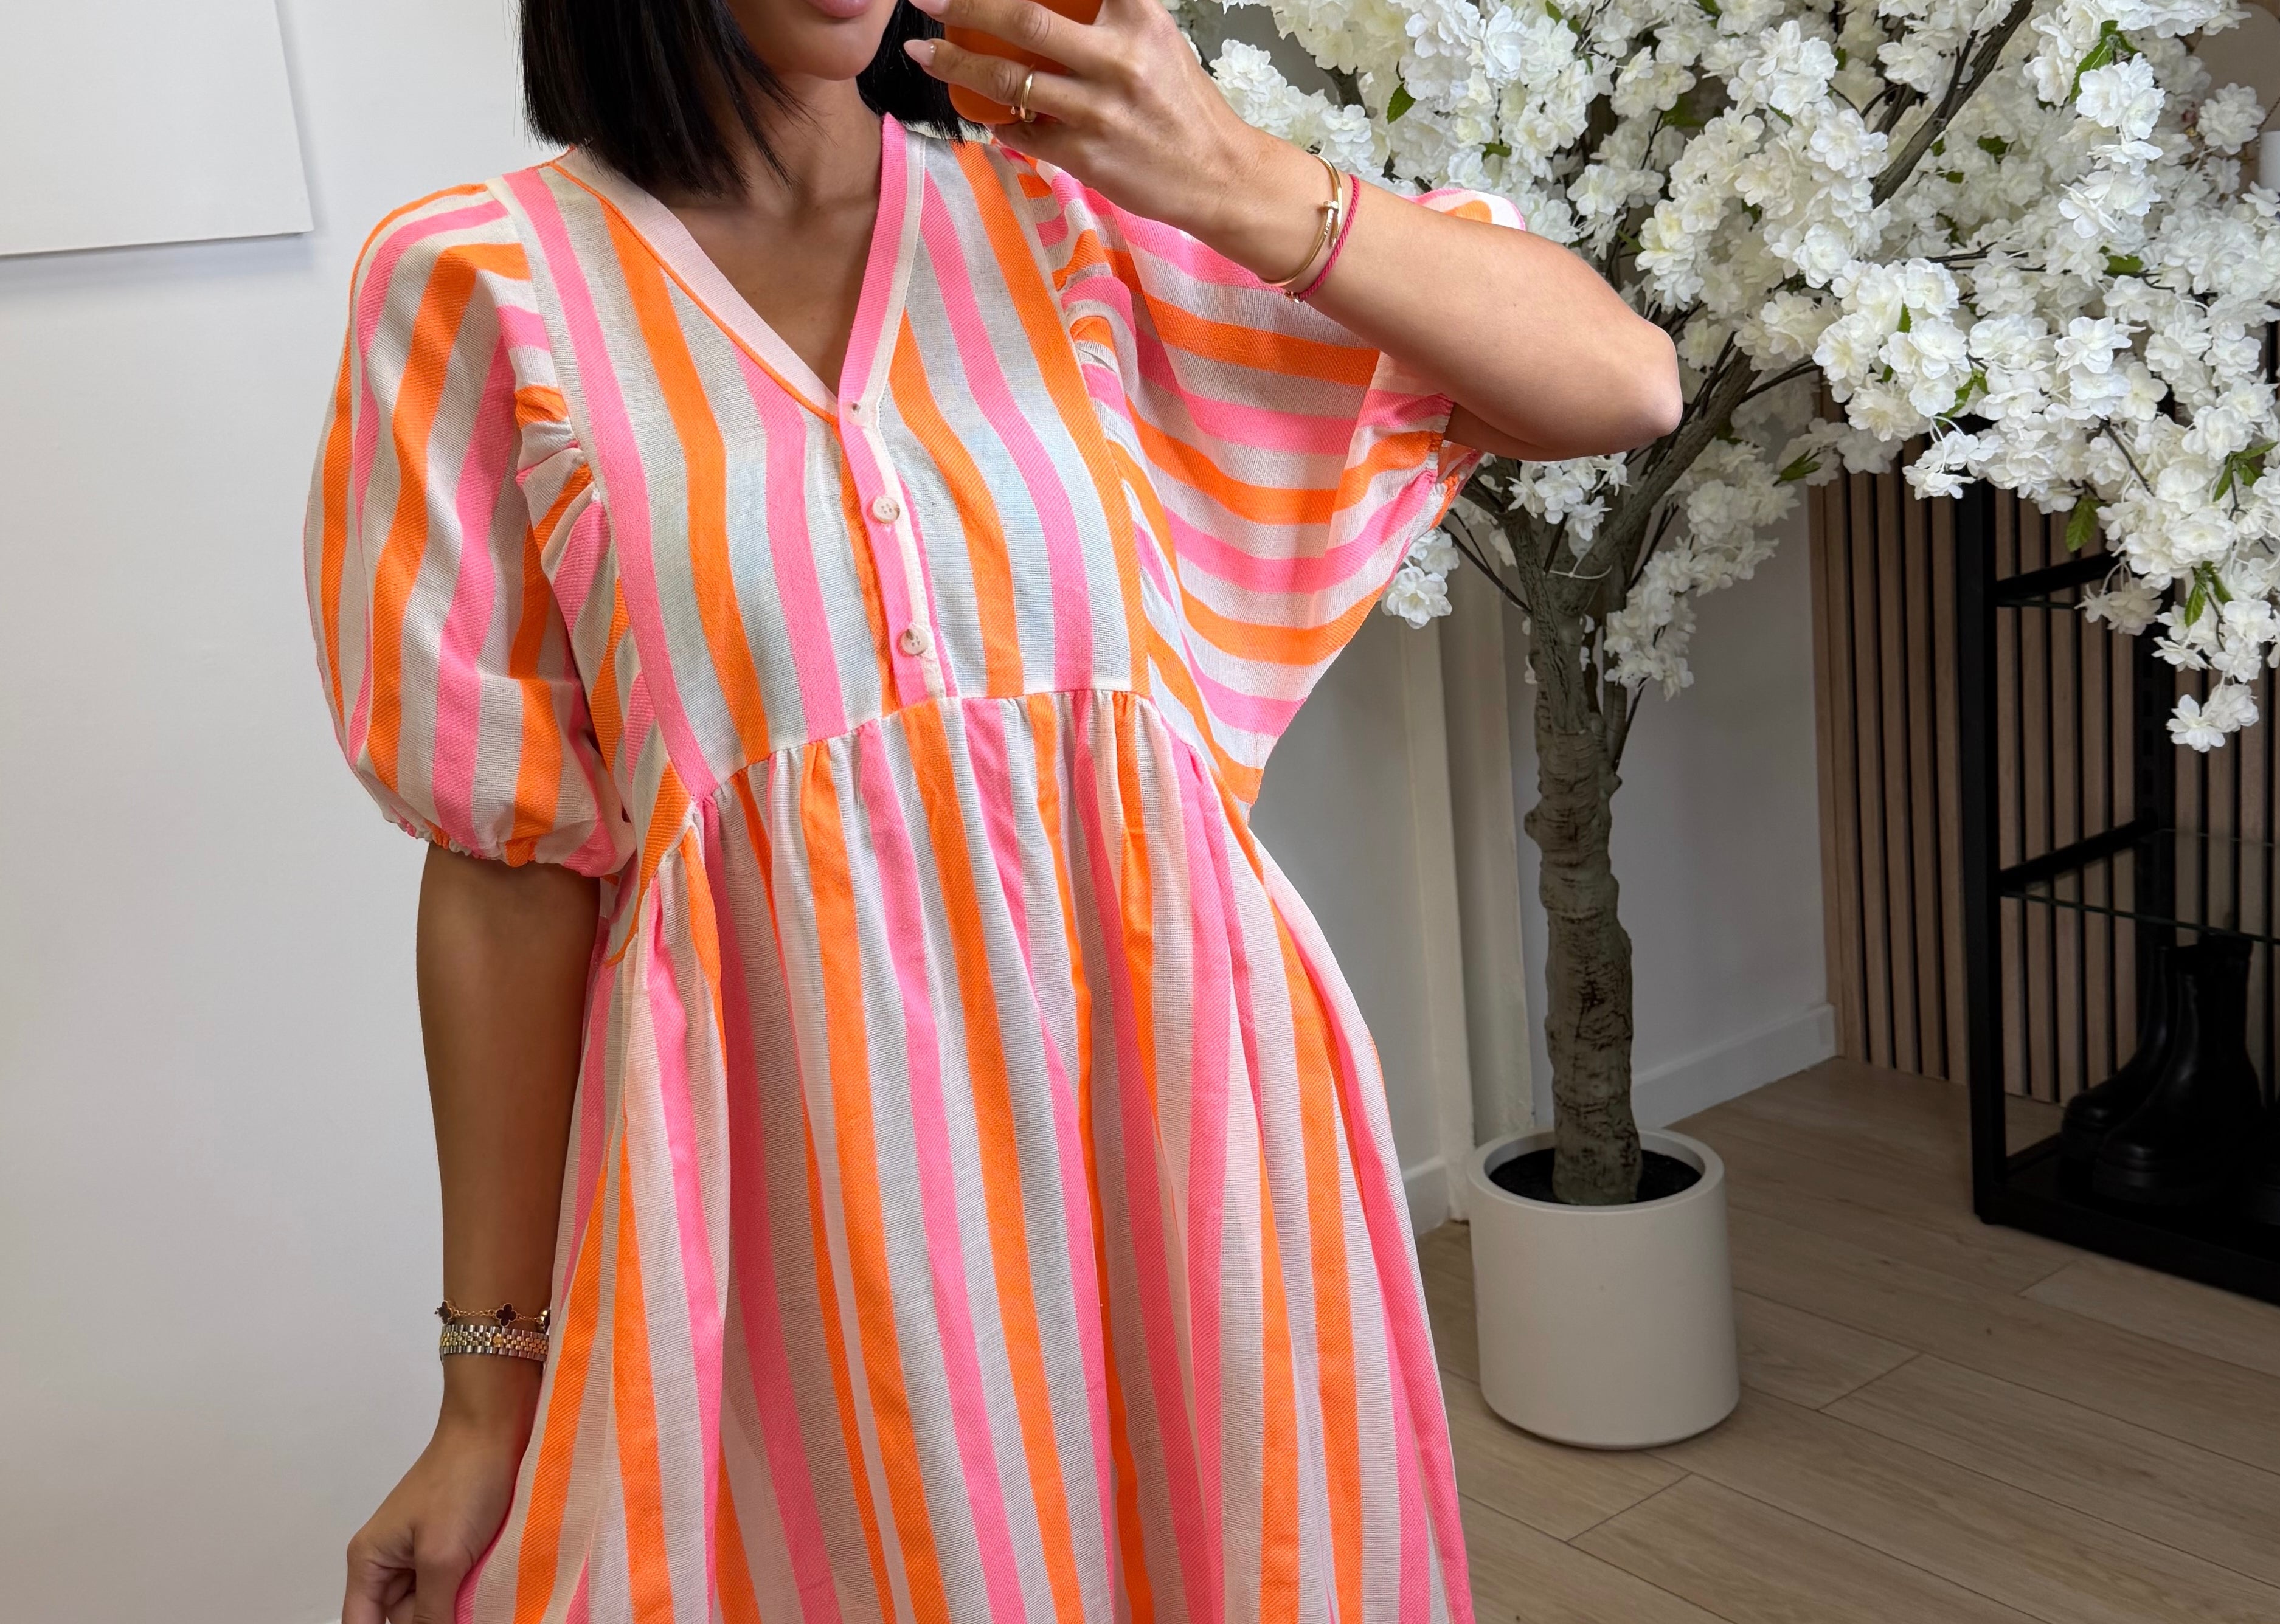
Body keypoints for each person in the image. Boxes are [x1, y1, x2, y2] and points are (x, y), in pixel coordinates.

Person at [308, 0, 1678, 1619]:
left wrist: (1228, 171)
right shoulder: (481, 284)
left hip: (1195, 1148)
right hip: (806, 1201)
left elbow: (1618, 384)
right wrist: (486, 1397)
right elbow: (505, 873)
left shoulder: (1071, 220)